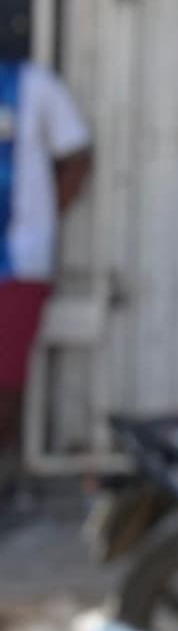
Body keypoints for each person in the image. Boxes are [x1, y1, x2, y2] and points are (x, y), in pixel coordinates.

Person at [0, 53, 92, 471]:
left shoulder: (30, 84)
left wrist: (42, 218)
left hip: (16, 262)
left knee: (5, 380)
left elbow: (76, 156)